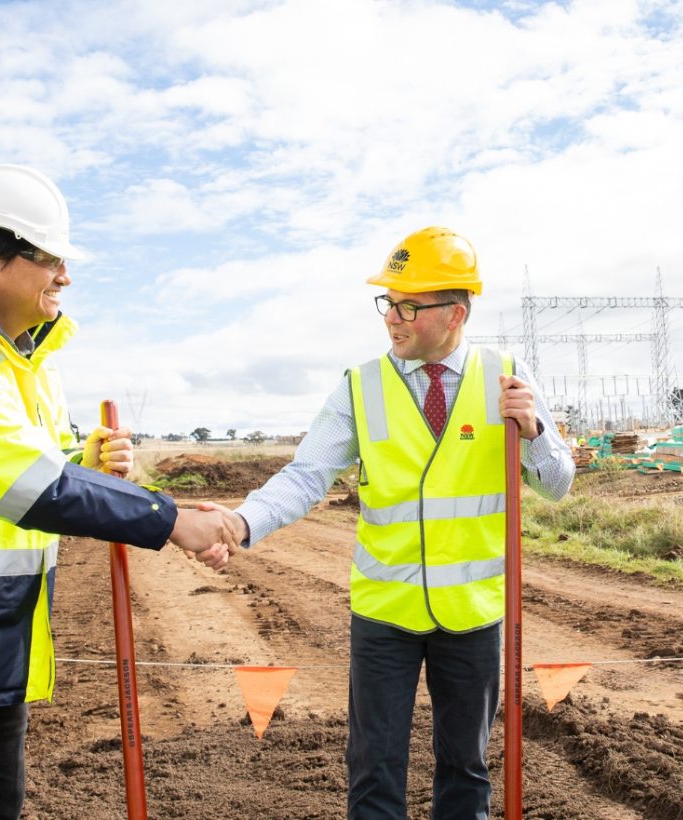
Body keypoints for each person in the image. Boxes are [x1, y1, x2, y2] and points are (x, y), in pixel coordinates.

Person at [0, 163, 236, 820]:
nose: (65, 276)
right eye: (49, 259)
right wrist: (169, 518)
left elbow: (39, 462)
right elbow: (25, 483)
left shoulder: (21, 362)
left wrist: (86, 458)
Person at [194, 226, 575, 818]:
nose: (391, 318)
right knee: (373, 766)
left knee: (466, 768)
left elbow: (557, 483)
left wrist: (535, 434)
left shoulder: (506, 376)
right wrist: (241, 523)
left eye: (407, 306)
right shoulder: (360, 386)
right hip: (384, 613)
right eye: (387, 303)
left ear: (454, 313)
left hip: (473, 614)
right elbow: (305, 475)